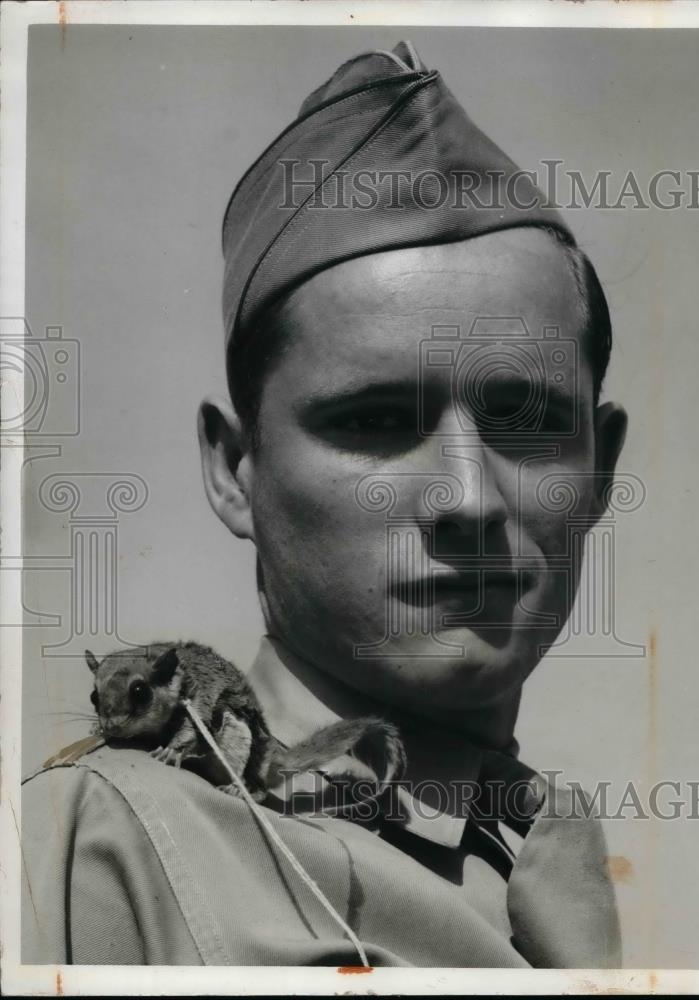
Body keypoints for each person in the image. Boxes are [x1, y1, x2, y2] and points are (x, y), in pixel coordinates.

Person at [21, 40, 627, 968]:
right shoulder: (74, 857)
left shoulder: (546, 863)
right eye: (377, 419)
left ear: (599, 469)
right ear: (234, 472)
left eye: (524, 421)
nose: (467, 496)